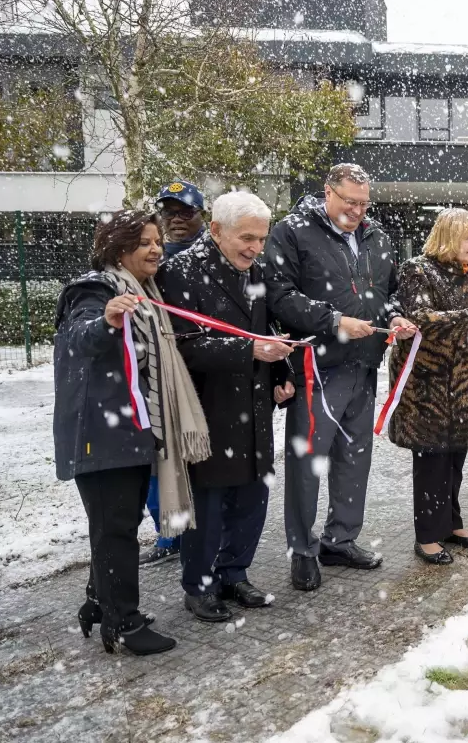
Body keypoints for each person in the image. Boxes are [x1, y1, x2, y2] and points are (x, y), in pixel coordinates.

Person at [53, 210, 211, 655]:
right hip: (101, 436)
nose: (156, 248)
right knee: (115, 529)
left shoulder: (144, 291)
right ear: (118, 248)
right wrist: (105, 320)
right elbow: (78, 339)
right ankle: (124, 623)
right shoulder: (94, 290)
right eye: (144, 242)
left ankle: (100, 603)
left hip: (130, 432)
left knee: (115, 525)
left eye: (157, 240)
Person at [264, 163, 416, 590]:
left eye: (364, 202)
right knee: (308, 462)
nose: (357, 210)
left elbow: (390, 292)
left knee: (355, 460)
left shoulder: (377, 236)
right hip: (317, 365)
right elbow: (278, 294)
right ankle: (303, 548)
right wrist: (333, 321)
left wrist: (396, 315)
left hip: (365, 363)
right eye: (350, 201)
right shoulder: (291, 231)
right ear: (327, 192)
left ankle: (340, 539)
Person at [159, 191, 295, 622]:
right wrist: (251, 352)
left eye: (262, 238)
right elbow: (182, 347)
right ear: (215, 230)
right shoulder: (179, 272)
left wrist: (281, 374)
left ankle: (234, 572)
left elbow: (263, 329)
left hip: (252, 406)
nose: (256, 248)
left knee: (252, 496)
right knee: (210, 502)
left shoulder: (253, 272)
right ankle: (199, 585)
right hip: (209, 408)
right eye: (247, 238)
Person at [390, 209, 468, 564]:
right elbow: (422, 319)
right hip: (427, 385)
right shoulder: (418, 270)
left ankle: (451, 524)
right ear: (450, 238)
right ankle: (427, 536)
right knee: (431, 460)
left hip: (464, 383)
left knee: (455, 457)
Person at [139, 179, 206, 565]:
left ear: (202, 216)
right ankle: (170, 534)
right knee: (158, 456)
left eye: (186, 212)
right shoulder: (150, 257)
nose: (177, 219)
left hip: (199, 372)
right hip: (160, 372)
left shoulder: (212, 256)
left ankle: (197, 535)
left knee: (197, 459)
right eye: (169, 212)